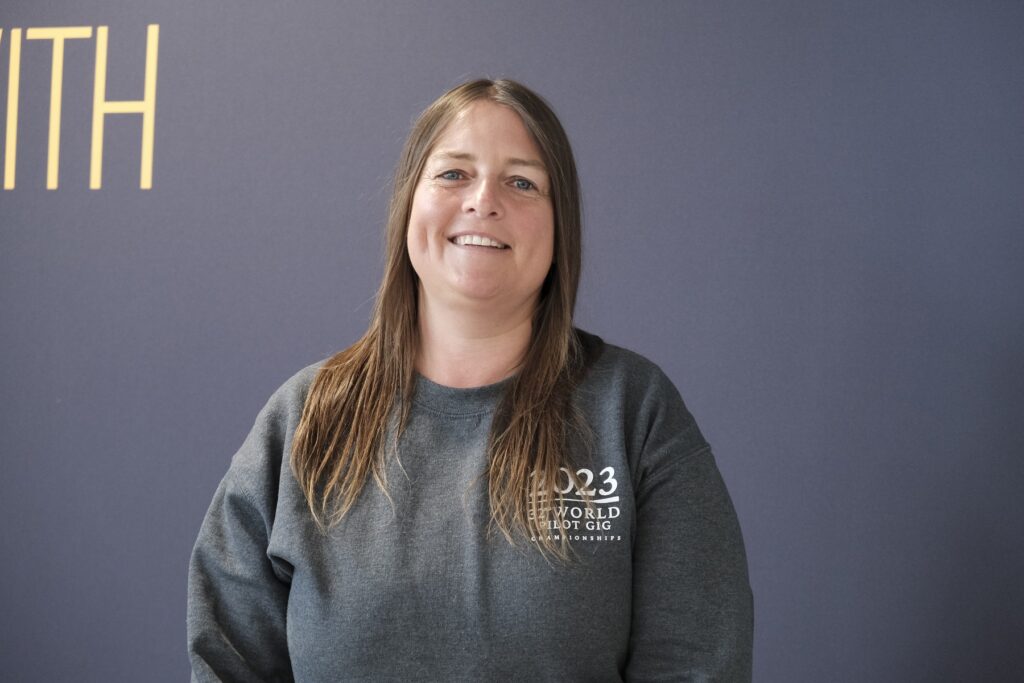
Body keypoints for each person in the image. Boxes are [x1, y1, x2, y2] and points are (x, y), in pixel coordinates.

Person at [187, 78, 753, 682]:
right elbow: (230, 662)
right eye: (454, 174)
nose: (484, 200)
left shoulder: (633, 411)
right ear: (409, 204)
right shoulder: (305, 419)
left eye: (522, 182)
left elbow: (697, 665)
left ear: (561, 231)